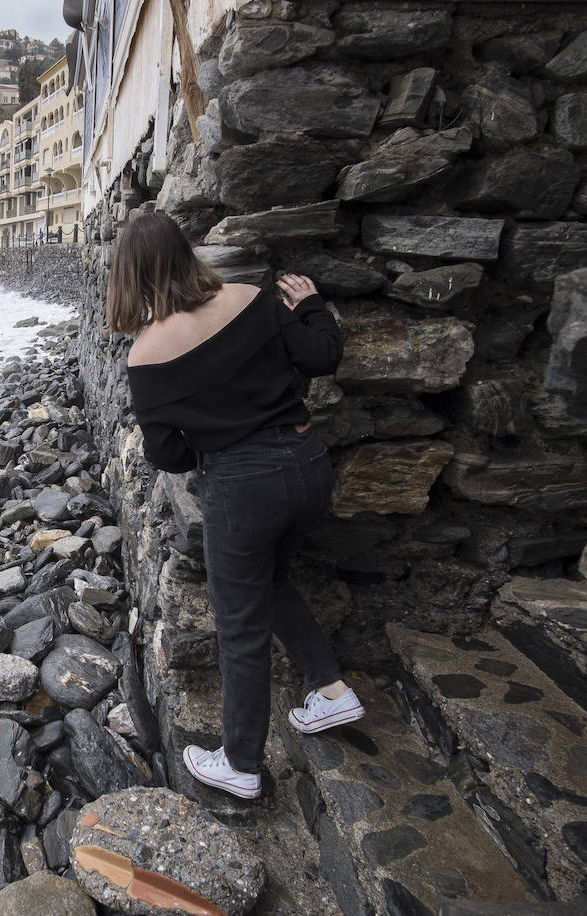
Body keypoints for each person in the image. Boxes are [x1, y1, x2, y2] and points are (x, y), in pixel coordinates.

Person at [107, 211, 363, 800]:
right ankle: (330, 691)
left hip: (244, 488)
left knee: (240, 626)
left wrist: (206, 430)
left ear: (129, 275)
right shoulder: (250, 298)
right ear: (185, 254)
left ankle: (242, 764)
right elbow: (322, 356)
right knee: (272, 583)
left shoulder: (147, 356)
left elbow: (168, 455)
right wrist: (313, 306)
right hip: (308, 465)